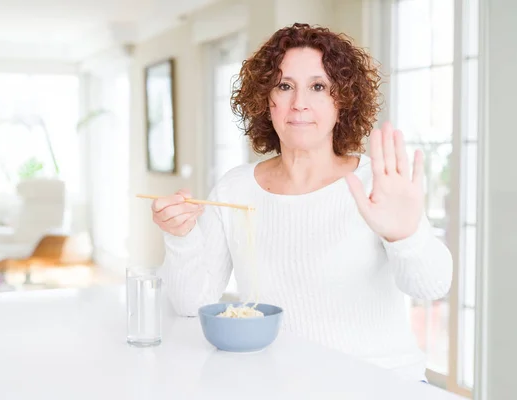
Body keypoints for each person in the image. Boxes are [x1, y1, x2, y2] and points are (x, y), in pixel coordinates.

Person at [150, 23, 452, 381]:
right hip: (279, 382)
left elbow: (431, 286)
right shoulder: (235, 189)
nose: (299, 103)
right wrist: (181, 236)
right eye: (284, 85)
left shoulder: (376, 183)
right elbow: (189, 305)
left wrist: (405, 236)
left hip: (382, 381)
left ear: (343, 102)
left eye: (318, 87)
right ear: (266, 99)